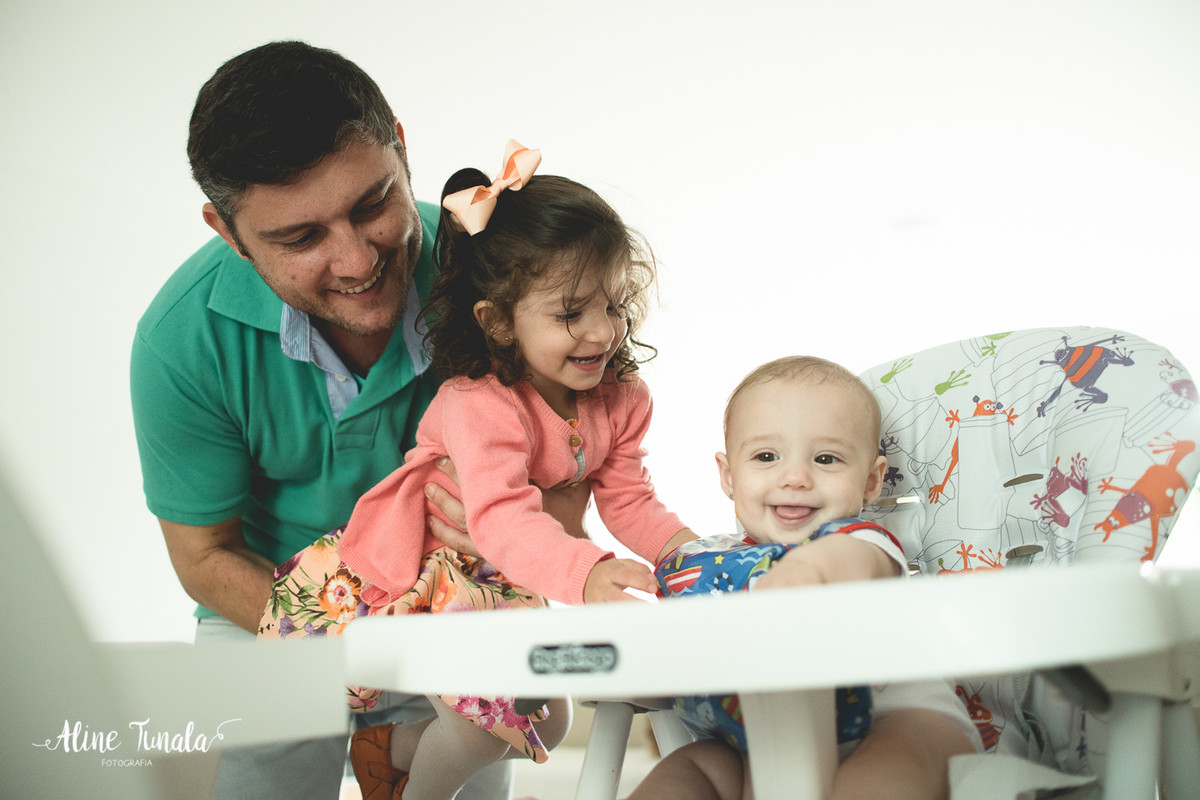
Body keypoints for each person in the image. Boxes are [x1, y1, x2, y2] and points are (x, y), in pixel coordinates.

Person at [130, 42, 580, 800]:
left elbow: (577, 471)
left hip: (457, 602)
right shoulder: (179, 340)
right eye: (301, 238)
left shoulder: (500, 275)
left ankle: (395, 747)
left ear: (401, 148)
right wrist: (365, 643)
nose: (356, 261)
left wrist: (523, 528)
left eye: (372, 205)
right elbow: (204, 556)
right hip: (267, 605)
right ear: (227, 231)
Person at [260, 141, 700, 800]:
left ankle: (388, 750)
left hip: (502, 576)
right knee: (480, 731)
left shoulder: (621, 397)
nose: (602, 332)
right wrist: (588, 572)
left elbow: (630, 499)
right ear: (499, 324)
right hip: (423, 570)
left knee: (549, 722)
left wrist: (690, 556)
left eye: (614, 305)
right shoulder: (480, 403)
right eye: (570, 313)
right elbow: (500, 520)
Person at [630, 356, 982, 800]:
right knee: (691, 766)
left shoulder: (862, 541)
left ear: (871, 481)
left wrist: (803, 572)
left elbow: (845, 563)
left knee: (886, 766)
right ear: (729, 475)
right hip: (763, 744)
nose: (795, 477)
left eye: (826, 459)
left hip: (894, 720)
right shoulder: (712, 566)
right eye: (766, 456)